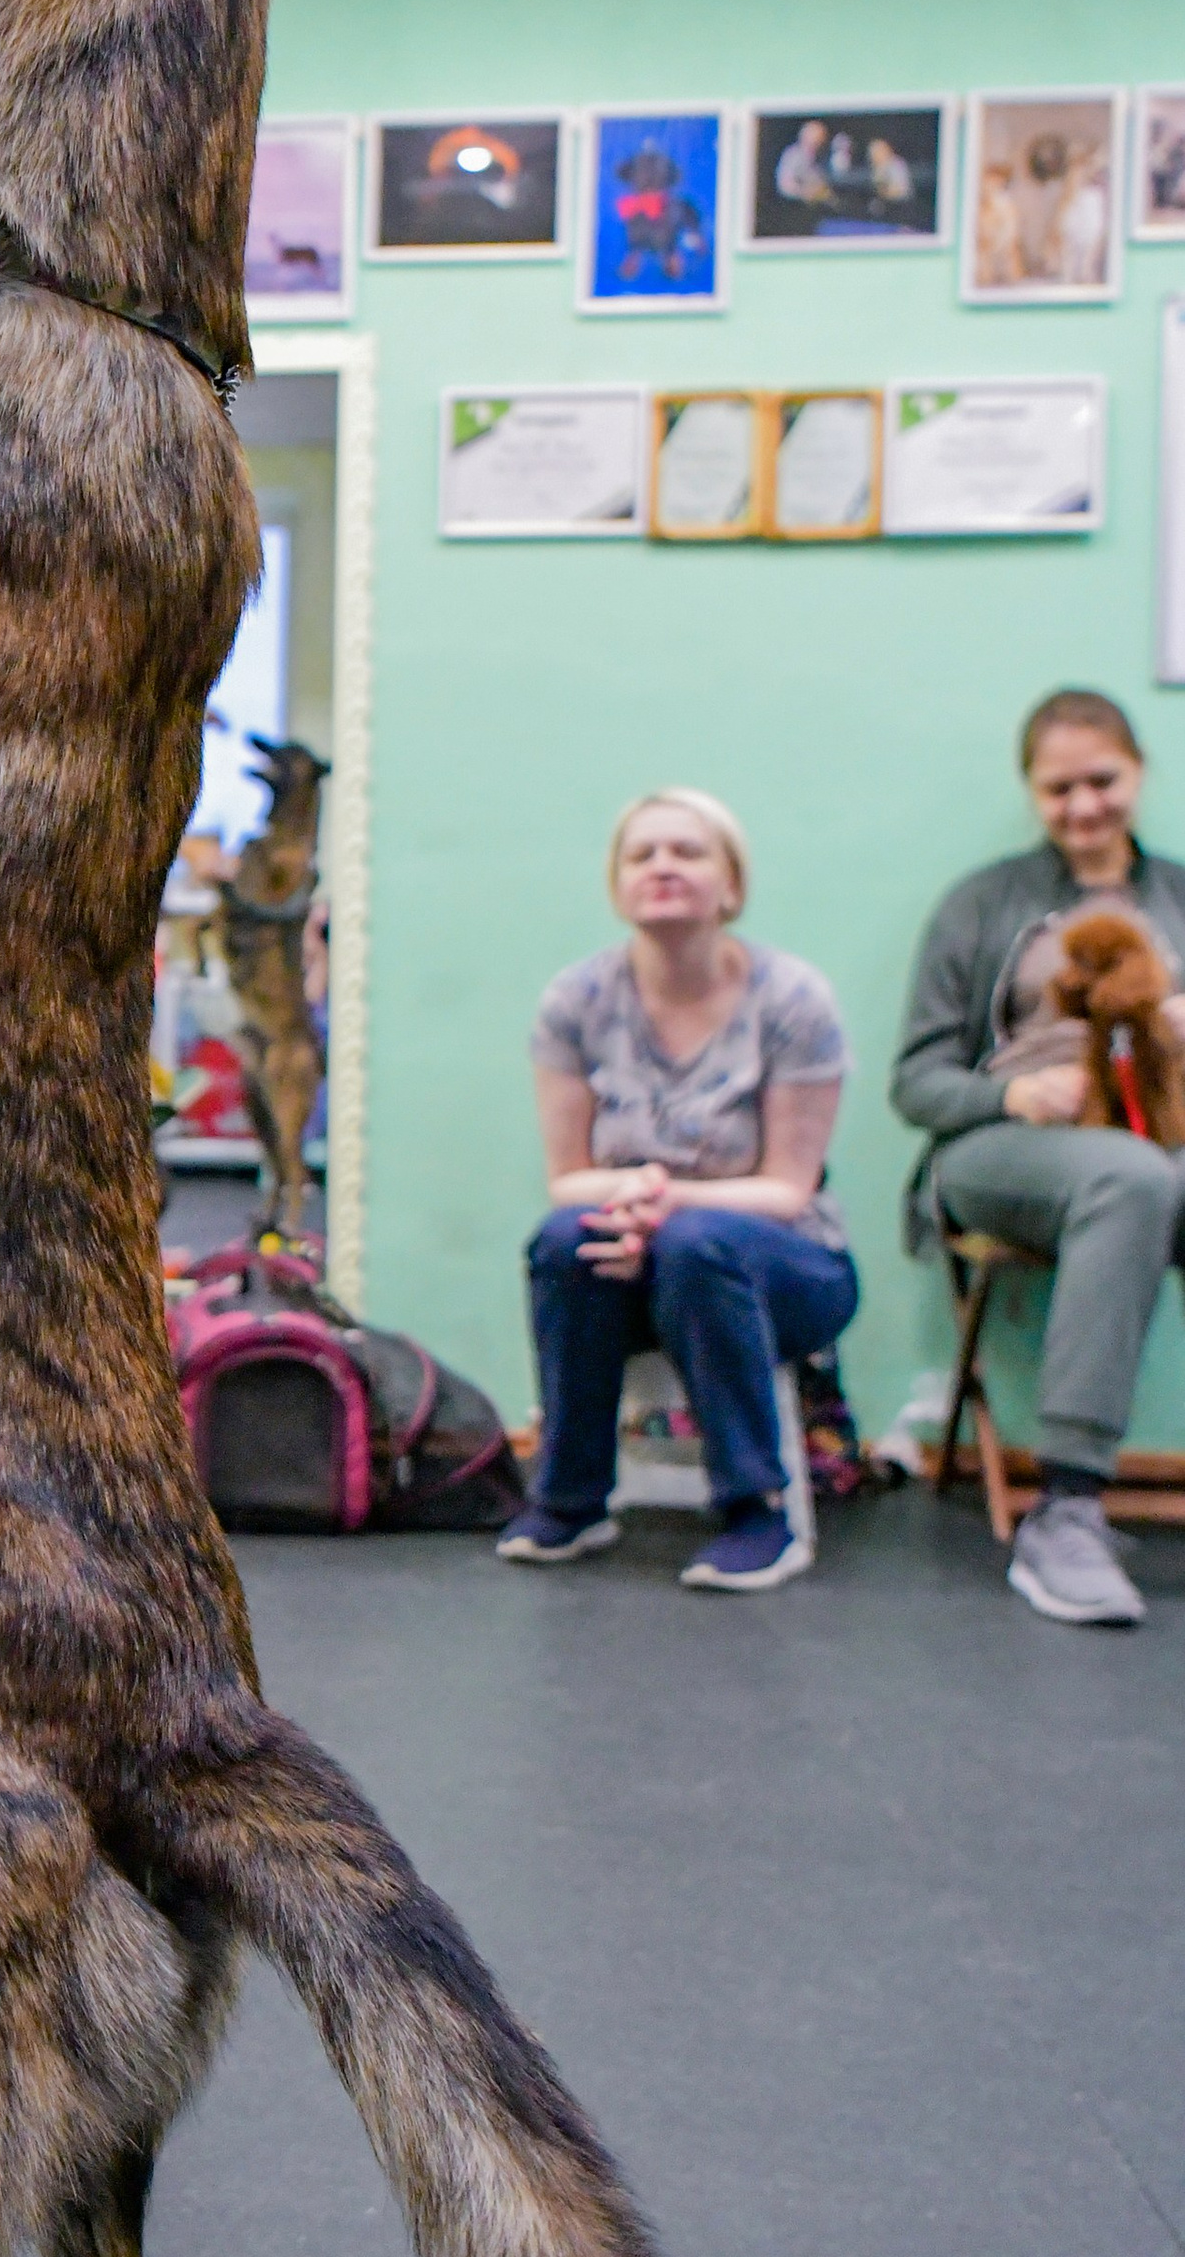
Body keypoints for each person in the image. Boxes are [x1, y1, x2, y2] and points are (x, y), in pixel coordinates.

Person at [504, 788, 858, 1592]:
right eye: (643, 854)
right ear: (618, 884)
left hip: (793, 1267)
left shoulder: (794, 1000)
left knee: (699, 1245)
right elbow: (569, 1178)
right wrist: (638, 1205)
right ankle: (570, 1500)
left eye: (688, 852)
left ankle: (756, 1513)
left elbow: (788, 1190)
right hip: (644, 1250)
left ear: (731, 885)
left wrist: (664, 1212)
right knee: (565, 1239)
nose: (663, 866)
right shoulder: (575, 1001)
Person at [892, 687, 1185, 1626]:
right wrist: (1013, 1093)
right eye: (1060, 788)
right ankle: (1066, 1509)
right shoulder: (983, 904)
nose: (1085, 805)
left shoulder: (1177, 897)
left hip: (1158, 1136)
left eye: (1102, 780)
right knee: (1132, 1177)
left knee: (1143, 1174)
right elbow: (917, 1081)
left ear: (1139, 773)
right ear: (1032, 794)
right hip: (1000, 1152)